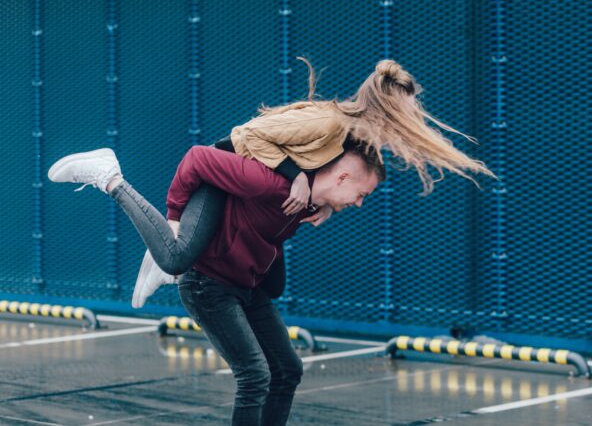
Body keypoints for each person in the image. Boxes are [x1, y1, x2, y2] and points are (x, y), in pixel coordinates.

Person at [48, 140, 385, 426]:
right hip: (208, 283)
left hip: (246, 285)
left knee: (287, 369)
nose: (358, 203)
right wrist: (174, 222)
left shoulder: (308, 200)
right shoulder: (272, 183)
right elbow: (198, 157)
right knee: (254, 375)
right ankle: (111, 179)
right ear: (342, 177)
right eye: (361, 194)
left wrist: (323, 205)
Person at [125, 57, 499, 307]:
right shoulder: (330, 122)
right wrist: (295, 176)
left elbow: (333, 179)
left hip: (250, 186)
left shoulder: (353, 138)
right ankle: (147, 232)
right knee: (177, 256)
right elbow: (247, 135)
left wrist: (325, 204)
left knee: (268, 287)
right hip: (223, 171)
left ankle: (166, 258)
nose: (414, 117)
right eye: (410, 110)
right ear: (389, 106)